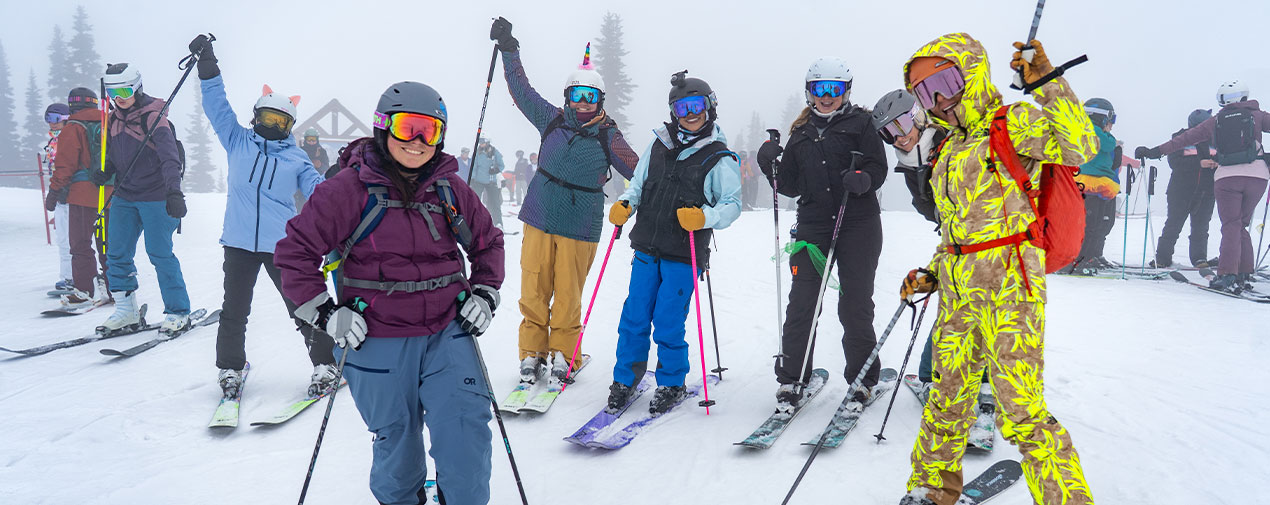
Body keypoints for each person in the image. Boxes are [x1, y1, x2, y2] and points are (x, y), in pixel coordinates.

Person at [276, 81, 505, 505]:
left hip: (446, 330)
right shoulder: (347, 191)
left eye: (429, 132)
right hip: (376, 334)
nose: (417, 143)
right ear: (384, 128)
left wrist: (485, 293)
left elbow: (488, 243)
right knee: (396, 446)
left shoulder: (450, 190)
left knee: (466, 435)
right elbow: (294, 253)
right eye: (407, 128)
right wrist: (326, 315)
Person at [896, 34, 1097, 505]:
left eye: (944, 81)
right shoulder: (947, 149)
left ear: (972, 72)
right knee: (946, 397)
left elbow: (1079, 145)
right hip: (958, 291)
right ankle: (931, 490)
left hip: (1010, 285)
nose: (940, 98)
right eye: (925, 92)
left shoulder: (1013, 121)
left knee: (1021, 409)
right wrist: (932, 270)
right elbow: (957, 229)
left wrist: (1047, 82)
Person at [489, 17, 638, 385]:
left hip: (580, 222)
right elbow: (522, 91)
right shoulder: (551, 120)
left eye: (590, 97)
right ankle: (531, 354)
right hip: (539, 214)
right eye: (576, 95)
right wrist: (510, 50)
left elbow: (640, 170)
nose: (582, 103)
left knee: (568, 293)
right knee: (534, 288)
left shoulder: (609, 136)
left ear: (600, 100)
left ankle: (562, 354)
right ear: (567, 97)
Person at [186, 35, 336, 399]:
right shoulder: (238, 141)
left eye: (280, 121)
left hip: (282, 246)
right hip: (237, 243)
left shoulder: (296, 158)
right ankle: (231, 368)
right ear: (255, 117)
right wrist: (209, 68)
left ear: (290, 126)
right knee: (234, 311)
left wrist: (337, 184)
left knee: (303, 306)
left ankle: (327, 362)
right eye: (267, 117)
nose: (272, 125)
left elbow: (317, 190)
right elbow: (217, 107)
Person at [757, 57, 887, 412]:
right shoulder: (800, 134)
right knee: (802, 304)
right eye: (819, 90)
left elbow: (878, 166)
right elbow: (789, 184)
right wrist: (769, 164)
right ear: (809, 92)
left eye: (834, 89)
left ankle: (862, 381)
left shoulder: (861, 124)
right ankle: (792, 379)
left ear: (846, 91)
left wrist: (865, 180)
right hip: (813, 227)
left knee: (855, 305)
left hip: (857, 224)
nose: (826, 97)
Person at [605, 70, 739, 414]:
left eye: (697, 105)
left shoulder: (719, 156)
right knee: (634, 314)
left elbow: (732, 204)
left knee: (667, 318)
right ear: (673, 112)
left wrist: (705, 218)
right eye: (682, 108)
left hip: (684, 251)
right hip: (647, 244)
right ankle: (626, 378)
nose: (690, 113)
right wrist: (626, 204)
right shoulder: (659, 144)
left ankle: (671, 382)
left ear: (710, 108)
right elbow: (637, 183)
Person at [1136, 81, 1270, 292]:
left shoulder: (1217, 120)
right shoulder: (1259, 115)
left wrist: (1154, 152)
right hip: (1258, 178)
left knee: (1231, 225)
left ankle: (1227, 274)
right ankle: (1244, 272)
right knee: (1241, 225)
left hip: (1228, 178)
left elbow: (1183, 139)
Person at [91, 62, 192, 334]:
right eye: (113, 93)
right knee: (117, 253)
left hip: (156, 196)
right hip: (125, 195)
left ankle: (178, 311)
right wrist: (108, 170)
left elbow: (169, 159)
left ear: (136, 86)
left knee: (159, 253)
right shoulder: (112, 118)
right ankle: (127, 311)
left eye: (124, 91)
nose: (119, 99)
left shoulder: (154, 117)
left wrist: (174, 191)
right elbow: (115, 154)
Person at [871, 89, 945, 397]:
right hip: (958, 243)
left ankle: (977, 387)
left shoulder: (950, 145)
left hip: (995, 242)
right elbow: (942, 216)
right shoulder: (913, 167)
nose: (898, 137)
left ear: (917, 115)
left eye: (901, 125)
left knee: (979, 316)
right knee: (956, 309)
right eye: (889, 132)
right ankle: (931, 376)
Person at [48, 89, 112, 309]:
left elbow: (65, 166)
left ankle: (84, 291)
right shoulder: (110, 123)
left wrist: (54, 192)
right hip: (111, 195)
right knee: (109, 245)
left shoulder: (73, 128)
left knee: (80, 244)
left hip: (82, 196)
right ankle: (117, 289)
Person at [1152, 109, 1218, 269]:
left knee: (1201, 227)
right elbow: (1175, 163)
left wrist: (1217, 164)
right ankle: (1162, 258)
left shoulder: (1217, 140)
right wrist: (1199, 163)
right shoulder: (1180, 139)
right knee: (1173, 225)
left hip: (1207, 191)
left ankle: (1199, 258)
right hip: (1180, 190)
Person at [1064, 97, 1122, 274]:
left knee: (1103, 222)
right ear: (1100, 117)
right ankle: (1079, 258)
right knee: (1090, 224)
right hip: (1089, 184)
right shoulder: (1091, 130)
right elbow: (1108, 144)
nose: (1112, 125)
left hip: (1100, 184)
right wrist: (1114, 141)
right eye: (1111, 120)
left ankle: (1094, 254)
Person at [41, 103, 74, 292]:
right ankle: (67, 276)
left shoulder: (69, 138)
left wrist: (61, 189)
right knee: (62, 238)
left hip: (70, 194)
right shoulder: (54, 140)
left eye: (54, 119)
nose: (50, 124)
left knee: (72, 239)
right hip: (60, 194)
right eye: (47, 119)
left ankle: (75, 277)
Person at [471, 138, 505, 229]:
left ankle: (498, 222)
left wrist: (495, 170)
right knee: (475, 201)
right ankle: (473, 222)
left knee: (494, 202)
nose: (481, 144)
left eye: (482, 142)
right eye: (480, 142)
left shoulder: (495, 152)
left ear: (487, 143)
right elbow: (473, 166)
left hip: (491, 181)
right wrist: (472, 178)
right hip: (479, 181)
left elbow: (501, 165)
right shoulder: (478, 153)